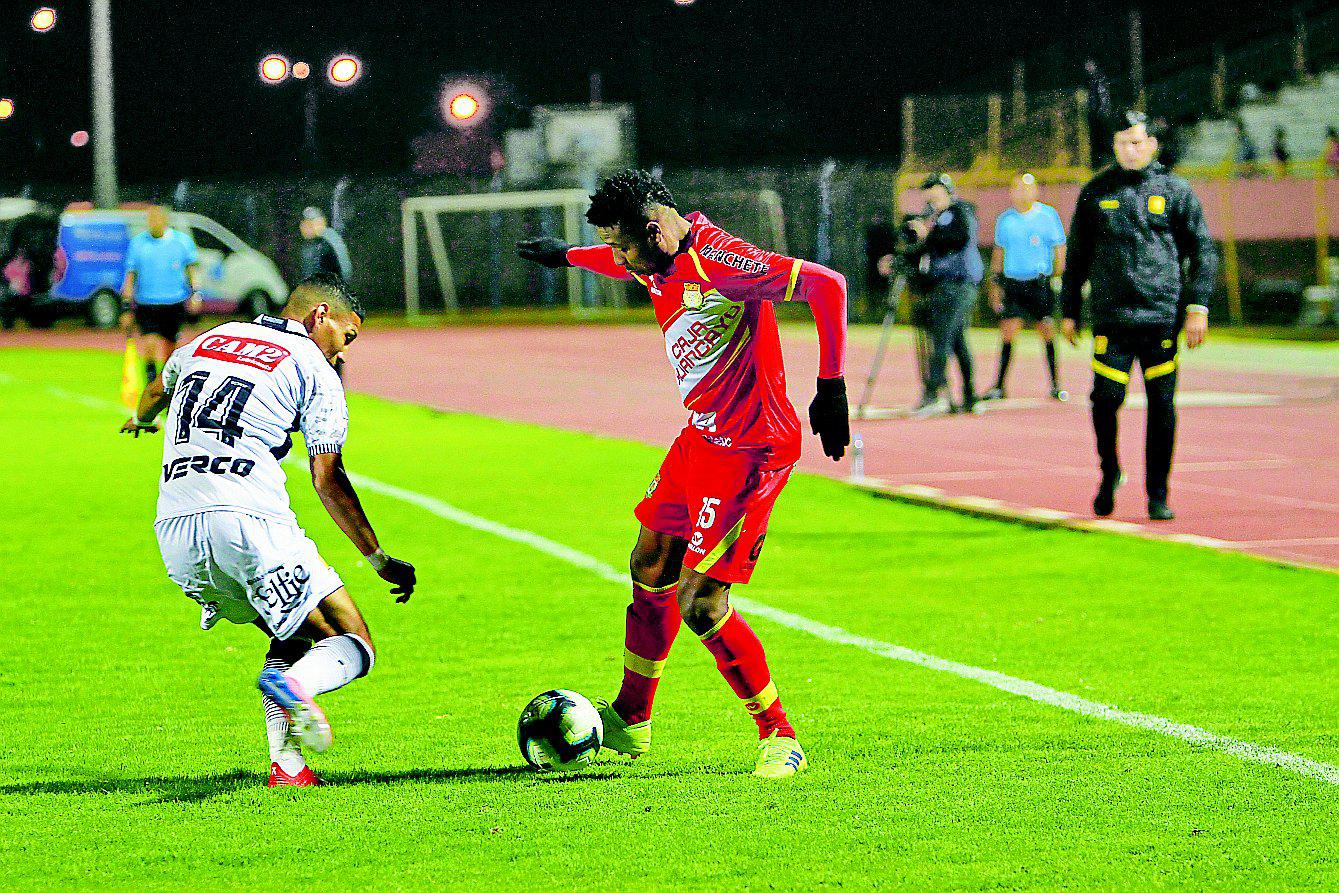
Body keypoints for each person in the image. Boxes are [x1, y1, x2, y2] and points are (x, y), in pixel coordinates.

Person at [516, 169, 849, 779]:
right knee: (649, 562)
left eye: (624, 244)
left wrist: (831, 385)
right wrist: (567, 255)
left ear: (653, 230)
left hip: (752, 450)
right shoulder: (653, 257)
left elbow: (828, 286)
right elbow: (623, 265)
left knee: (701, 602)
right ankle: (631, 719)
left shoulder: (724, 262)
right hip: (699, 440)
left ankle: (780, 736)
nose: (621, 259)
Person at [118, 273, 416, 787]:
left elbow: (154, 390)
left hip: (175, 533)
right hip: (248, 523)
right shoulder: (314, 368)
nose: (344, 354)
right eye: (347, 337)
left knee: (292, 634)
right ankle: (297, 687)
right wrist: (378, 558)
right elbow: (328, 478)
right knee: (353, 641)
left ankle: (288, 767)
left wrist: (143, 422)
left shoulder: (209, 339)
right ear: (320, 316)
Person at [1061, 111, 1217, 521]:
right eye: (1121, 142)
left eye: (1136, 141)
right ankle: (1110, 471)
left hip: (1160, 317)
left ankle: (1158, 494)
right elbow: (1077, 255)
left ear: (1152, 145)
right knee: (1105, 399)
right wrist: (1069, 310)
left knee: (1162, 407)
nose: (1129, 149)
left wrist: (1196, 307)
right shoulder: (1096, 192)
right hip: (1112, 318)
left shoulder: (1177, 191)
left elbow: (1203, 252)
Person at [983, 172, 1068, 402]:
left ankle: (1056, 384)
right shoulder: (1006, 220)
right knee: (1008, 331)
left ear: (1035, 190)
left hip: (1039, 282)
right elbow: (998, 254)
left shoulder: (1048, 216)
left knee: (1047, 330)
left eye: (1026, 187)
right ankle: (999, 386)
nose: (1022, 192)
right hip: (1013, 283)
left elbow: (1059, 249)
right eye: (1017, 188)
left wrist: (1058, 276)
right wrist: (995, 283)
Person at [906, 172, 983, 416]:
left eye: (935, 194)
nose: (932, 201)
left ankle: (933, 394)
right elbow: (926, 249)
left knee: (941, 339)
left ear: (947, 191)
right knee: (957, 340)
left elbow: (956, 239)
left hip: (958, 285)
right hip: (945, 286)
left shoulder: (959, 213)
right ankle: (970, 395)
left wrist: (927, 235)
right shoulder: (937, 218)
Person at [120, 205, 202, 387]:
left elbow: (192, 270)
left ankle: (166, 386)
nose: (152, 223)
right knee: (149, 344)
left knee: (169, 349)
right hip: (147, 302)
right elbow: (130, 276)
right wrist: (126, 305)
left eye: (155, 219)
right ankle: (150, 384)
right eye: (149, 219)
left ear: (164, 220)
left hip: (174, 301)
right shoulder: (138, 243)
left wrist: (196, 293)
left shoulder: (182, 242)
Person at [298, 207, 352, 283]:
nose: (306, 228)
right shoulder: (308, 244)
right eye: (305, 224)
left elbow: (345, 269)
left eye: (311, 224)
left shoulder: (330, 239)